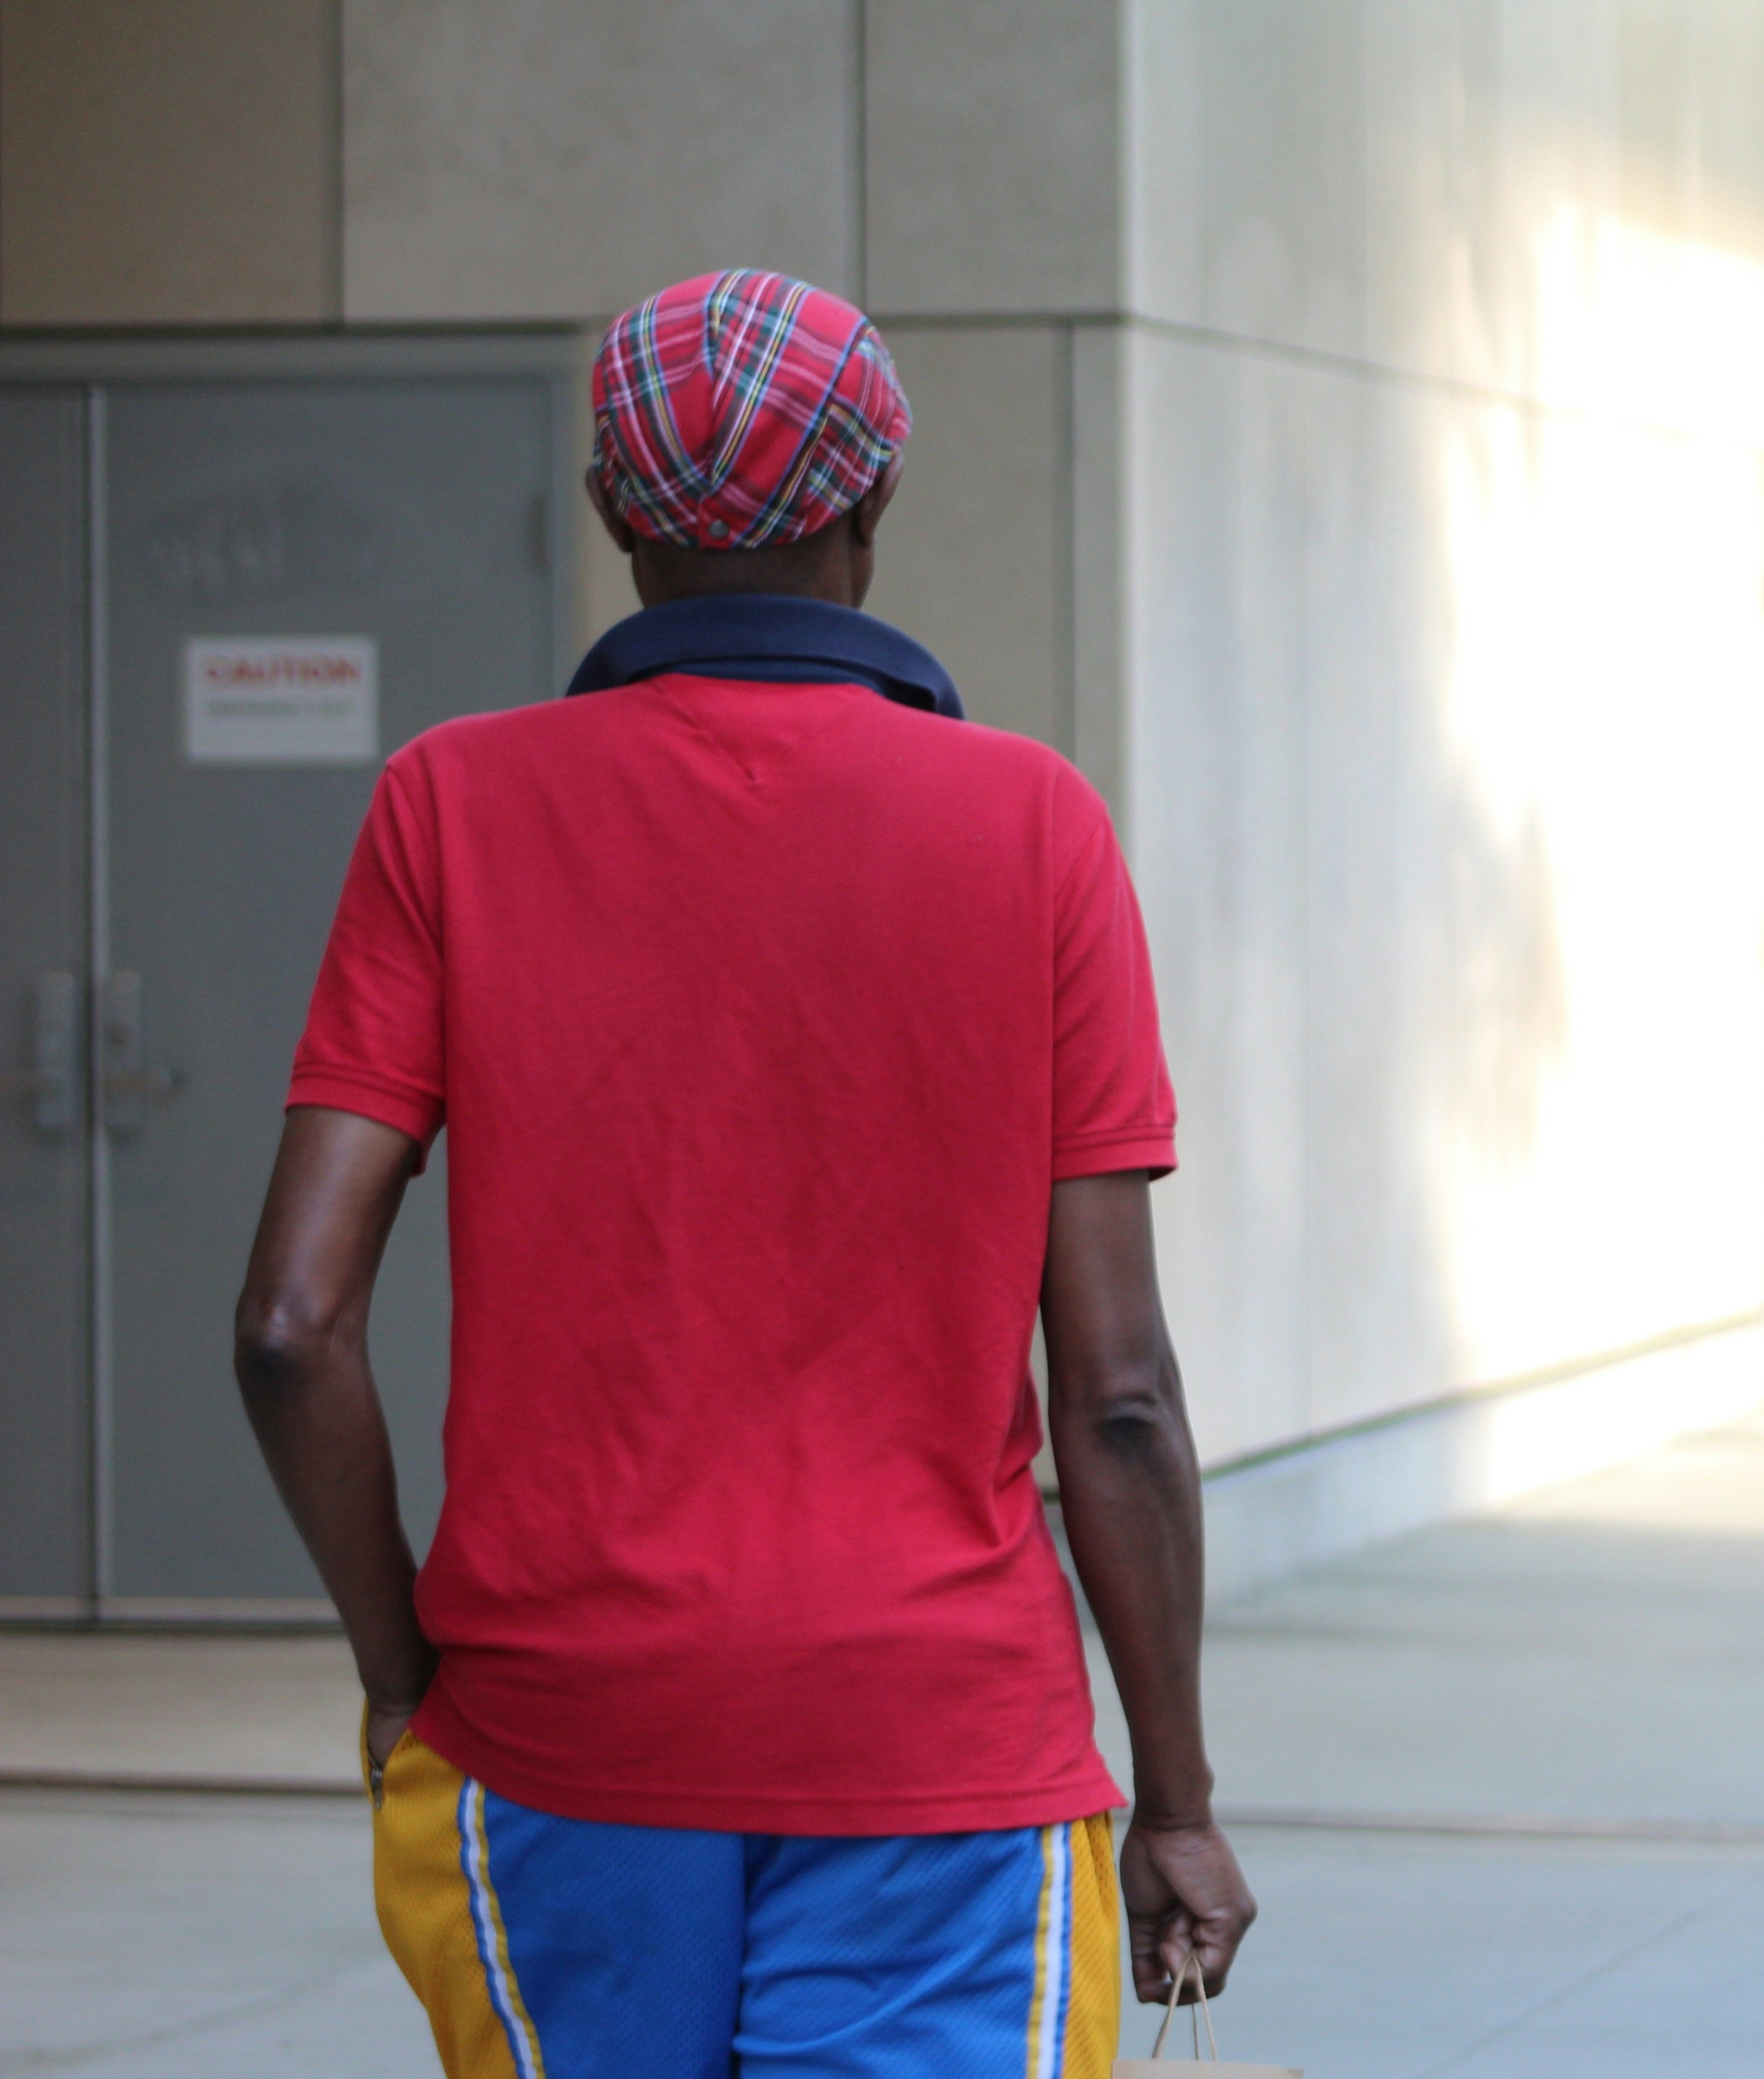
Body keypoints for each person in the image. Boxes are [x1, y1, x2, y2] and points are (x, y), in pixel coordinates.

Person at [230, 271, 1253, 2077]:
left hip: (556, 1743)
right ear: (876, 499)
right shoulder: (1033, 826)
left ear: (613, 511)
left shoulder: (448, 805)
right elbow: (1116, 1397)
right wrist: (1173, 1798)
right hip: (939, 1750)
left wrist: (404, 1676)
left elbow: (292, 1326)